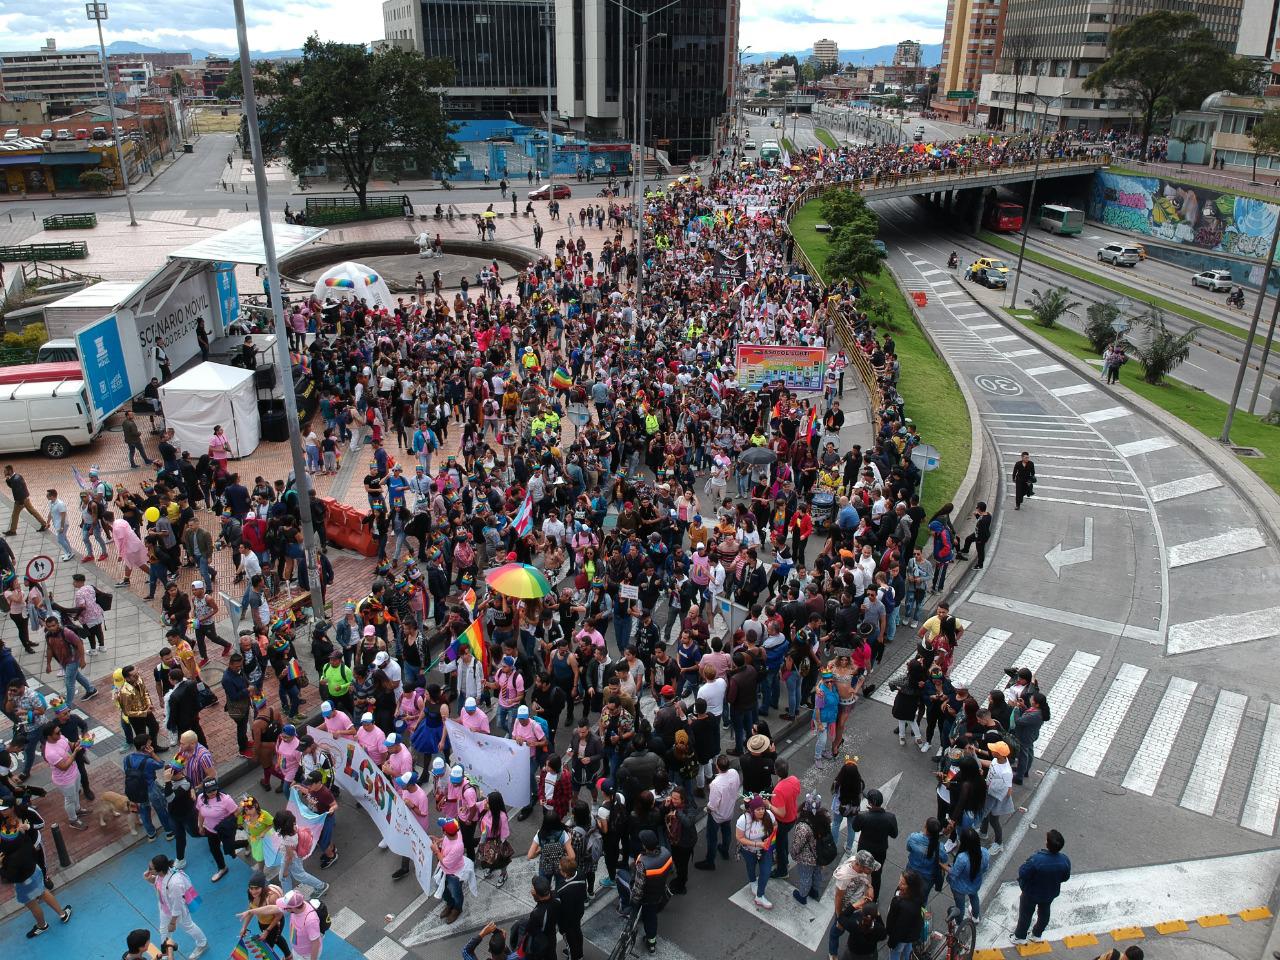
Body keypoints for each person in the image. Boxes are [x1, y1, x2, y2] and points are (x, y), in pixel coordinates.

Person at [0, 798, 73, 939]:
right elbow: (34, 852)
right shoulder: (25, 840)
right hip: (35, 870)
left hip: (23, 881)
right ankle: (63, 914)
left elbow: (10, 876)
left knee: (32, 904)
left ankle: (42, 925)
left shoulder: (12, 859)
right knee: (43, 892)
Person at [1011, 829, 1071, 945]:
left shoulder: (1036, 859)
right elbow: (1065, 877)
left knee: (1026, 914)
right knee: (1044, 913)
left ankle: (1020, 936)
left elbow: (1023, 872)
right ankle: (1037, 934)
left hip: (1031, 893)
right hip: (1050, 893)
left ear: (1047, 844)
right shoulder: (1064, 860)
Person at [618, 828, 672, 955]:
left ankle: (625, 910)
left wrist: (634, 902)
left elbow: (638, 887)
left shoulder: (643, 862)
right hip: (657, 895)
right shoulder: (666, 853)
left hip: (644, 897)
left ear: (645, 845)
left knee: (620, 876)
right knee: (651, 918)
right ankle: (651, 943)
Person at [145, 853, 207, 959]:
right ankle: (165, 952)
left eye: (150, 868)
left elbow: (177, 905)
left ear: (159, 870)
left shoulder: (175, 884)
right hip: (165, 907)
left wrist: (173, 922)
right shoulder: (160, 875)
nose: (148, 870)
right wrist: (149, 879)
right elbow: (158, 884)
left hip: (177, 912)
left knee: (189, 927)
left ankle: (202, 943)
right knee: (163, 929)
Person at [238, 889, 326, 960]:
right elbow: (270, 909)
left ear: (293, 908)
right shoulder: (296, 908)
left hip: (306, 955)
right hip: (297, 949)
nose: (283, 908)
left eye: (285, 906)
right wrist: (250, 911)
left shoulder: (310, 920)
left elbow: (316, 943)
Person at [736, 795, 778, 910]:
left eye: (763, 808)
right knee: (751, 866)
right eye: (758, 809)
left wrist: (770, 839)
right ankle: (752, 881)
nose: (761, 812)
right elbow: (739, 837)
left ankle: (760, 896)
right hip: (749, 850)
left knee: (766, 871)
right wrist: (757, 844)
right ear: (751, 810)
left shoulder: (769, 815)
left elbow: (775, 826)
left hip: (766, 850)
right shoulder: (743, 820)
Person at [241, 871, 292, 960]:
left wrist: (267, 931)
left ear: (263, 887)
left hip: (275, 924)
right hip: (262, 924)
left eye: (256, 888)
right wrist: (244, 927)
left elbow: (279, 916)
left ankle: (288, 956)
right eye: (251, 888)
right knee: (277, 938)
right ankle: (289, 956)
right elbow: (251, 910)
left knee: (267, 950)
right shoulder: (251, 894)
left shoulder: (271, 898)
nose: (253, 891)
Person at [944, 827, 989, 922]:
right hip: (975, 883)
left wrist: (941, 865)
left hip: (959, 887)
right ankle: (975, 917)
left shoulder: (962, 858)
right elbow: (986, 868)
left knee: (959, 906)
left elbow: (954, 873)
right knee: (974, 897)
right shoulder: (984, 852)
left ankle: (959, 923)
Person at [884, 871, 925, 960]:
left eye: (903, 883)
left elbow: (896, 926)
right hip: (911, 934)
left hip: (900, 936)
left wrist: (892, 941)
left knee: (895, 954)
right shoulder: (918, 896)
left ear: (910, 887)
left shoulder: (899, 903)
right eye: (900, 880)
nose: (899, 884)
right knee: (907, 948)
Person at [956, 501, 991, 569]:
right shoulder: (988, 515)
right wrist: (977, 515)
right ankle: (966, 550)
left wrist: (979, 540)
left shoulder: (982, 520)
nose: (976, 508)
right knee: (968, 539)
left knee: (980, 551)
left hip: (981, 537)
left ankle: (980, 565)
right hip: (977, 533)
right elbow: (981, 520)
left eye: (977, 507)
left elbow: (982, 530)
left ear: (980, 509)